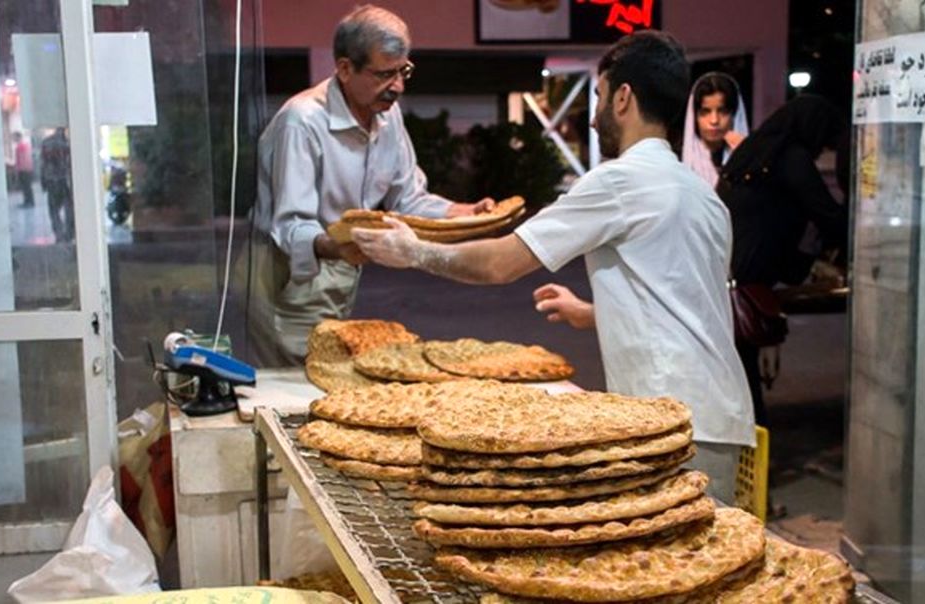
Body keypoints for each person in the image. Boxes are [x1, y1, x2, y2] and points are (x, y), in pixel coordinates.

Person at [352, 31, 755, 504]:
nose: (595, 113)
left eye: (600, 96)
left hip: (669, 419)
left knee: (666, 566)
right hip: (720, 418)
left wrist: (415, 250)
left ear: (624, 97)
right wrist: (591, 312)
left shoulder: (621, 180)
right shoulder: (701, 194)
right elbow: (685, 299)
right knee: (707, 565)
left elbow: (501, 263)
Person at [248, 4, 493, 366]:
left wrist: (463, 213)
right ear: (345, 69)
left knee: (332, 377)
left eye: (403, 71)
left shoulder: (386, 114)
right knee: (300, 386)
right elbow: (290, 225)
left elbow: (407, 197)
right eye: (384, 75)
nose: (397, 87)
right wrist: (339, 246)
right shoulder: (302, 122)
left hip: (343, 264)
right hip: (291, 275)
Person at [715, 94, 848, 426]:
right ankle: (750, 457)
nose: (822, 150)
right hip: (747, 280)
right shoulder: (791, 158)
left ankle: (743, 452)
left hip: (723, 273)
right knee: (746, 382)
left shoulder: (750, 153)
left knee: (737, 377)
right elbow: (828, 215)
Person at [681, 72, 749, 188]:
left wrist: (745, 156)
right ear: (694, 116)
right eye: (705, 112)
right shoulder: (677, 161)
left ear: (735, 114)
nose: (714, 120)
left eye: (722, 111)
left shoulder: (753, 159)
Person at [40, 128, 74, 242]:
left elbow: (43, 164)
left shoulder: (46, 142)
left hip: (51, 181)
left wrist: (43, 181)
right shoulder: (68, 144)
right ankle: (69, 233)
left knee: (54, 210)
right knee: (69, 208)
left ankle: (59, 234)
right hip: (65, 181)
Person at [13, 132, 36, 208]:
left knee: (26, 187)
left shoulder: (20, 147)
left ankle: (28, 202)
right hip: (27, 169)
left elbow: (22, 159)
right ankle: (29, 201)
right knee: (27, 187)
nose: (14, 139)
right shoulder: (25, 145)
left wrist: (18, 169)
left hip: (24, 169)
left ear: (18, 137)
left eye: (14, 137)